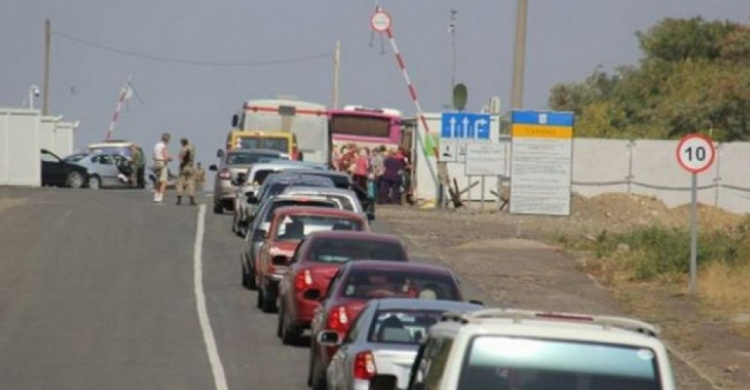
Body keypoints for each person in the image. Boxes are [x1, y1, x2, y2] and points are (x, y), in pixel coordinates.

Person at [176, 138, 197, 205]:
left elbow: (182, 157)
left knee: (180, 182)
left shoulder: (183, 149)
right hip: (190, 166)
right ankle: (191, 198)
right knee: (191, 183)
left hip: (184, 166)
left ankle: (179, 198)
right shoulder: (192, 147)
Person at [152, 133, 172, 203]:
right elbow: (165, 156)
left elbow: (153, 156)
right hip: (162, 163)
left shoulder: (156, 145)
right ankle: (160, 196)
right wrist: (169, 158)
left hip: (156, 162)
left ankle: (156, 195)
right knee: (164, 181)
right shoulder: (164, 146)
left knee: (158, 180)